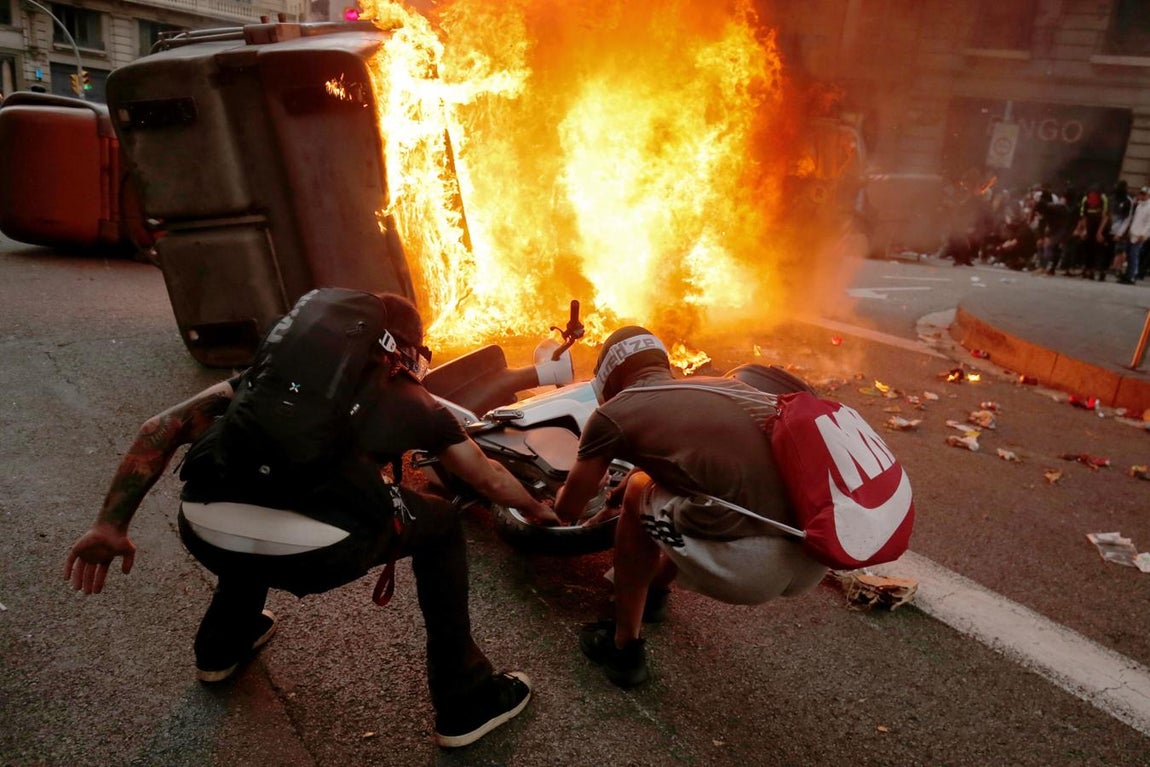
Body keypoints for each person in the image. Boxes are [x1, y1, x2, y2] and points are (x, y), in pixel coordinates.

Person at [64, 291, 559, 748]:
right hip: (319, 555)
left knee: (258, 478)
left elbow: (160, 428)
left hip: (205, 531)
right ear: (405, 349)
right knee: (442, 527)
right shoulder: (413, 401)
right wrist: (538, 508)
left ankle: (222, 646)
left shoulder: (262, 377)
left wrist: (111, 525)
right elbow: (489, 479)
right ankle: (465, 699)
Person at [552, 327, 826, 687]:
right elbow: (678, 461)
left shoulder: (614, 412)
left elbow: (569, 509)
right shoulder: (719, 387)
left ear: (606, 378)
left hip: (749, 568)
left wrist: (567, 497)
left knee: (638, 492)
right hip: (813, 555)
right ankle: (655, 594)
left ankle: (623, 650)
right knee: (681, 491)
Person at [1124, 186, 1150, 284]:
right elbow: (1134, 219)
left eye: (1144, 194)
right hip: (1133, 232)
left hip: (1140, 235)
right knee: (1129, 255)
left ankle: (1132, 276)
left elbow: (1149, 223)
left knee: (1134, 255)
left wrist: (1144, 234)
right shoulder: (1138, 205)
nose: (1142, 196)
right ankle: (1127, 274)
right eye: (1141, 194)